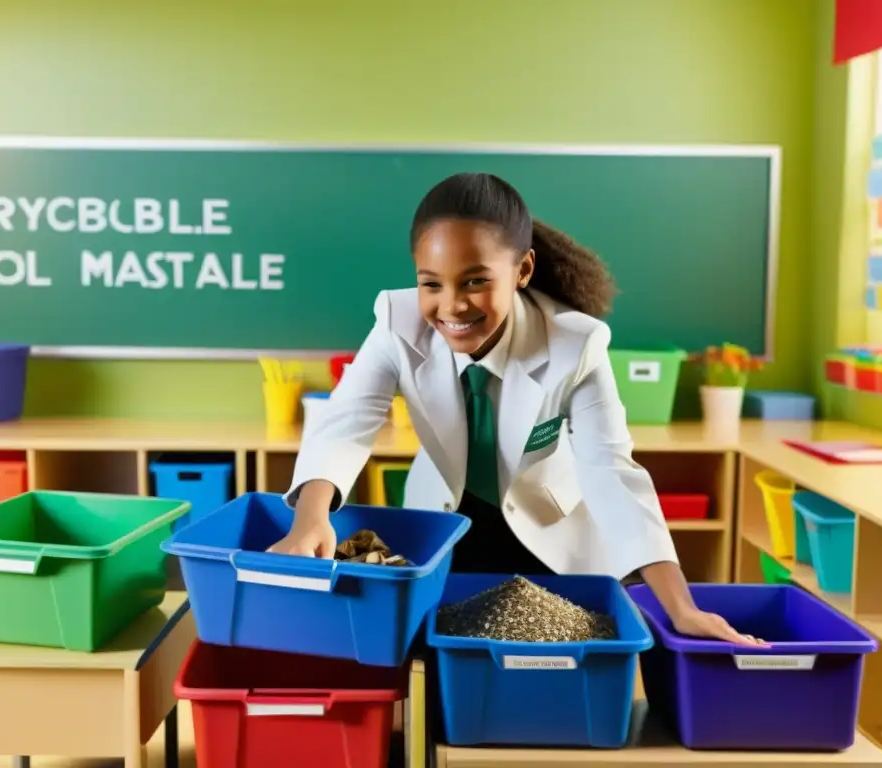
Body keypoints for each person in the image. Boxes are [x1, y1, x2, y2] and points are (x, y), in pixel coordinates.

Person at [270, 172, 763, 646]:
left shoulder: (576, 344)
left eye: (474, 281)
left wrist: (681, 607)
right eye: (431, 284)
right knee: (437, 656)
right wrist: (311, 517)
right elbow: (347, 419)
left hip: (546, 530)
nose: (452, 306)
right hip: (444, 519)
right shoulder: (397, 322)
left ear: (523, 270)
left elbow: (611, 469)